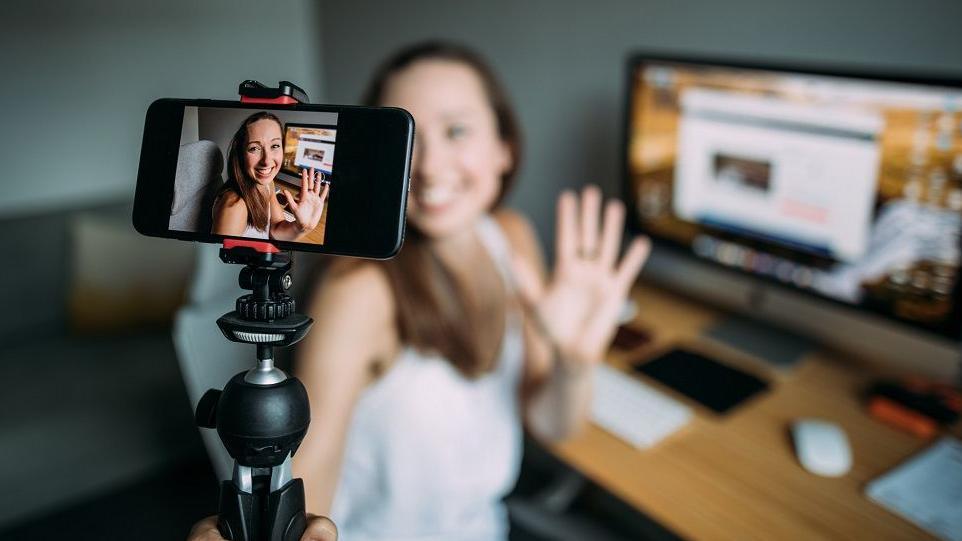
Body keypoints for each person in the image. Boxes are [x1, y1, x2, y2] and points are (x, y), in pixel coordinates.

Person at [291, 41, 650, 541]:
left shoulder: (512, 238)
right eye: (407, 137)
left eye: (456, 130)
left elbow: (552, 426)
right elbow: (309, 474)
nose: (431, 166)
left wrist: (573, 366)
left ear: (505, 147)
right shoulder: (359, 289)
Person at [211, 111, 329, 241]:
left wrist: (301, 227)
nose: (266, 160)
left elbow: (276, 229)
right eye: (254, 148)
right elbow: (219, 259)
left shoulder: (267, 184)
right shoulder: (234, 208)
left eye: (275, 146)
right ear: (240, 155)